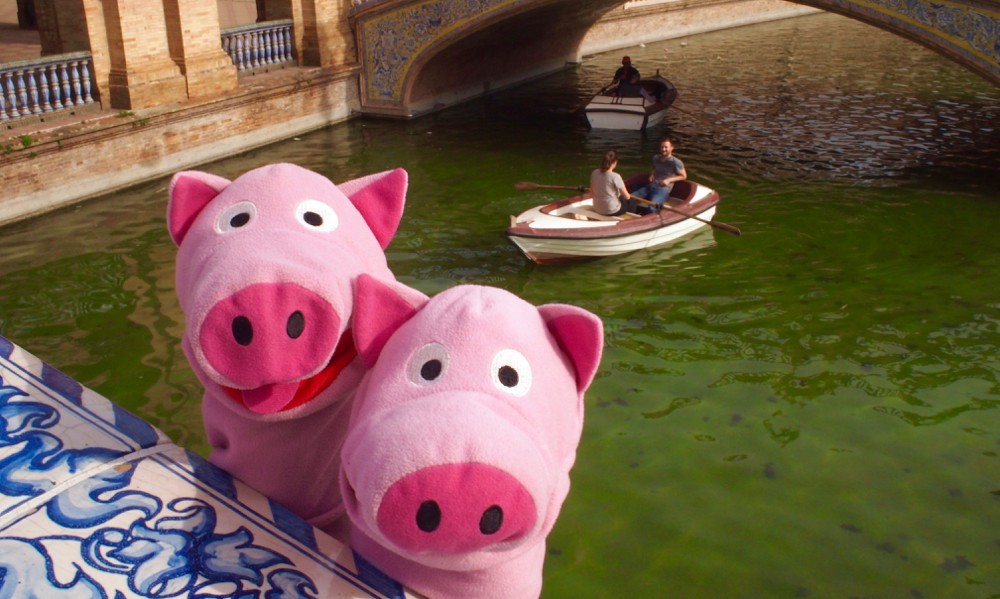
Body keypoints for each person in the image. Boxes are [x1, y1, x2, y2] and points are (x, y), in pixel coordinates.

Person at [632, 137, 687, 211]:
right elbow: (654, 168)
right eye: (662, 147)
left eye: (666, 147)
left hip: (662, 190)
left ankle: (649, 220)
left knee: (651, 208)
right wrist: (652, 174)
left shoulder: (676, 162)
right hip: (651, 186)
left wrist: (669, 180)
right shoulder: (656, 158)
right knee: (630, 197)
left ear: (671, 148)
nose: (663, 149)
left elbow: (684, 176)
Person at [590, 149, 642, 217]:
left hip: (597, 208)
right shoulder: (615, 176)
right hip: (612, 210)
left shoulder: (594, 172)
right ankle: (630, 220)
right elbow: (627, 197)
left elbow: (591, 191)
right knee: (633, 201)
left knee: (620, 197)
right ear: (615, 162)